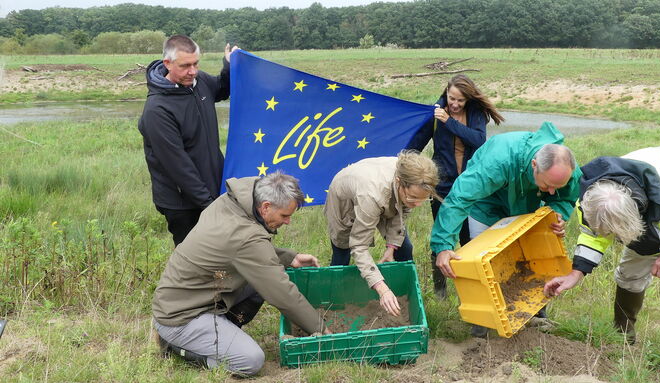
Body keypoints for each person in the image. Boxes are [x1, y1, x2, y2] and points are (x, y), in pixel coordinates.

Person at [152, 171, 329, 375]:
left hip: (190, 295)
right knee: (250, 361)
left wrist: (290, 258)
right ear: (265, 207)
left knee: (263, 280)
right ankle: (178, 348)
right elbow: (281, 292)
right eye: (285, 215)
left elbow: (244, 252)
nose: (288, 222)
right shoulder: (245, 236)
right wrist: (321, 329)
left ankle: (224, 330)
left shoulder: (232, 201)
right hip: (181, 316)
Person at [431, 122, 581, 337]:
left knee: (532, 255)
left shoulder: (564, 169)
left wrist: (557, 212)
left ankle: (532, 312)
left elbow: (567, 196)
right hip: (487, 206)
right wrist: (443, 245)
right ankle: (482, 325)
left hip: (527, 206)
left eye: (554, 187)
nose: (551, 190)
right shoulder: (498, 161)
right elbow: (460, 198)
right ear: (534, 165)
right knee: (484, 261)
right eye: (547, 185)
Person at [543, 146, 660, 344]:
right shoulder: (594, 199)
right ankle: (624, 339)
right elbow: (594, 236)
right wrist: (576, 273)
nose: (613, 238)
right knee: (630, 275)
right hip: (651, 223)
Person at [406, 74, 504, 299]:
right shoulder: (434, 114)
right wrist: (402, 166)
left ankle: (472, 291)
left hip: (472, 187)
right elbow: (415, 145)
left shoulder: (475, 113)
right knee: (442, 238)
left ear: (468, 99)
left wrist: (448, 122)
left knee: (470, 240)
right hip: (442, 187)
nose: (455, 104)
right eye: (452, 99)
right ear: (446, 94)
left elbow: (479, 141)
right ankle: (440, 294)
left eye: (460, 100)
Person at [139, 35, 238, 246]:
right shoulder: (157, 110)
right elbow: (178, 166)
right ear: (168, 63)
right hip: (182, 203)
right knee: (193, 264)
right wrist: (210, 205)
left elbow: (220, 88)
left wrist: (229, 66)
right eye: (185, 66)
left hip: (211, 191)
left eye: (195, 63)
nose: (192, 71)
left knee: (222, 256)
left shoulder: (197, 82)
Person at [324, 150, 439, 317]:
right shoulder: (372, 195)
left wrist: (391, 247)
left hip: (381, 193)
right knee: (342, 252)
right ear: (399, 182)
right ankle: (333, 305)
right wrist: (381, 288)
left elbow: (400, 211)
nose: (418, 204)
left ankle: (407, 298)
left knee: (404, 247)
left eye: (423, 199)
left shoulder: (413, 179)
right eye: (413, 198)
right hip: (346, 200)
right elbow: (359, 246)